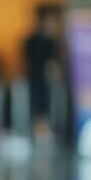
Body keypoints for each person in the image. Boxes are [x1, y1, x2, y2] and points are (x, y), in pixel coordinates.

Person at [22, 9, 60, 145]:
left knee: (43, 105)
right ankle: (39, 133)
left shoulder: (49, 41)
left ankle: (42, 133)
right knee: (39, 105)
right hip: (36, 78)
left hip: (42, 79)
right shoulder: (37, 41)